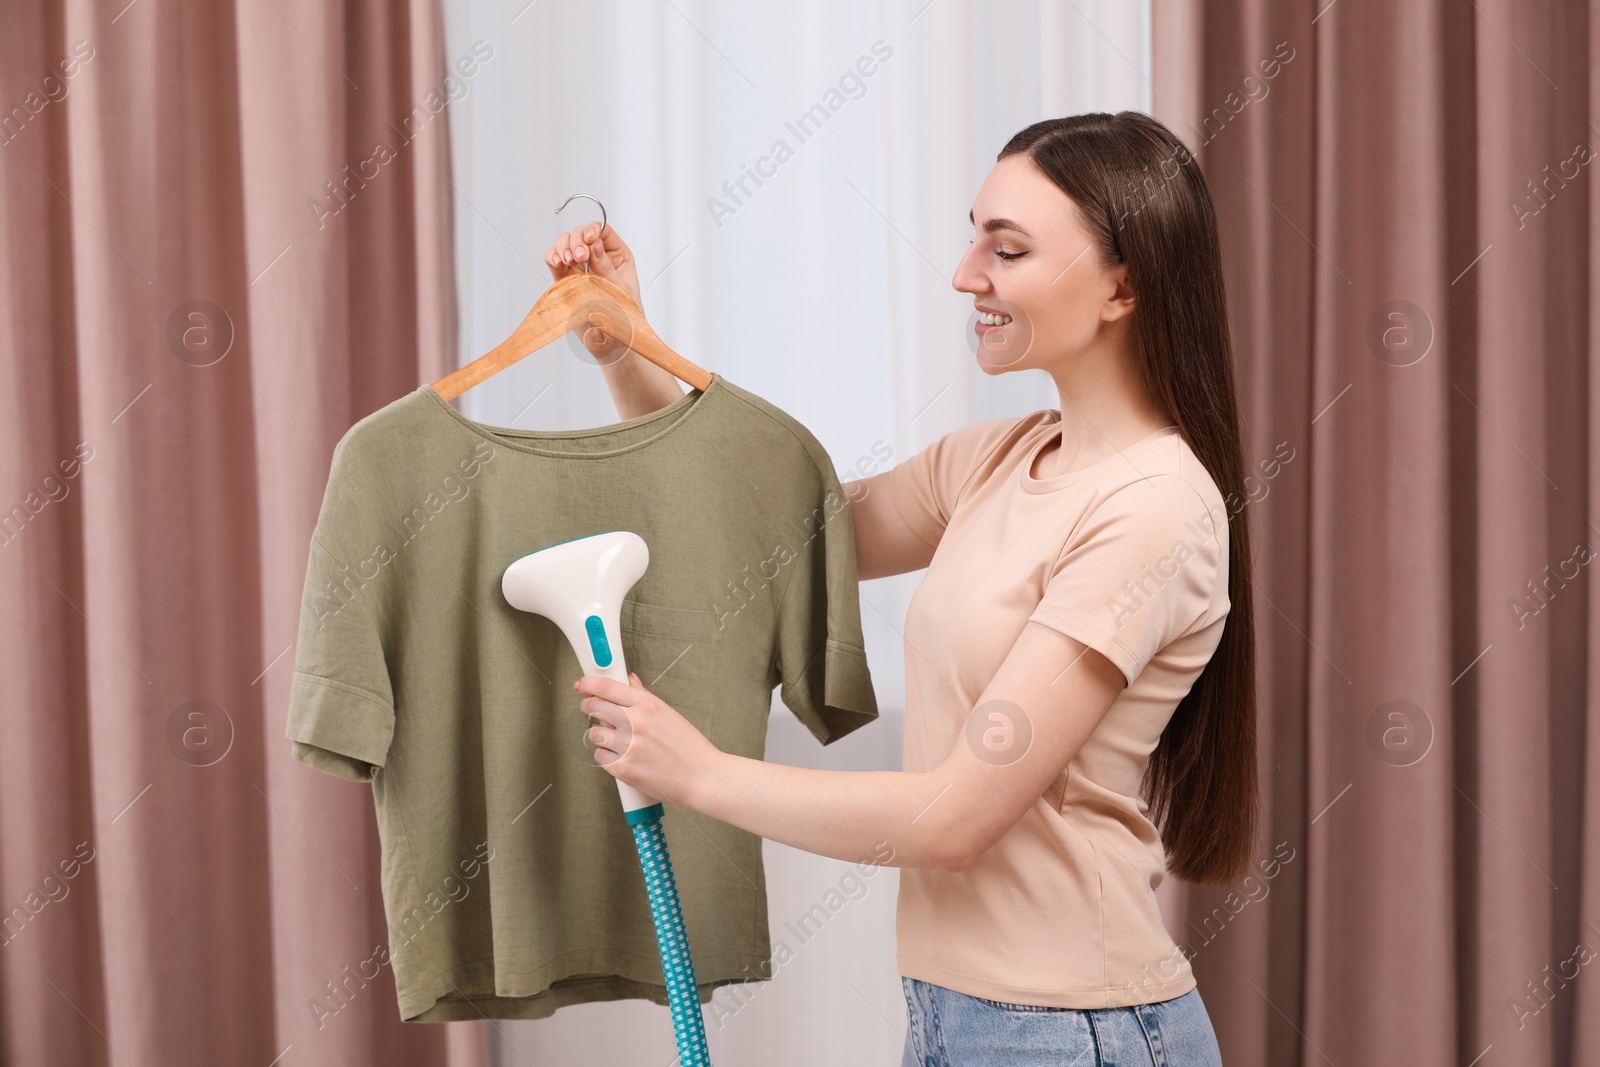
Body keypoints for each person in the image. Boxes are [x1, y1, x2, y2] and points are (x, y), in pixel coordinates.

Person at [543, 111, 1256, 1067]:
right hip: (960, 1016)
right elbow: (767, 536)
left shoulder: (1153, 512)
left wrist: (697, 771)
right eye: (975, 239)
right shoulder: (1003, 458)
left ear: (1124, 286)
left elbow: (957, 817)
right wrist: (626, 349)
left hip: (1068, 1031)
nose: (967, 275)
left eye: (1005, 250)